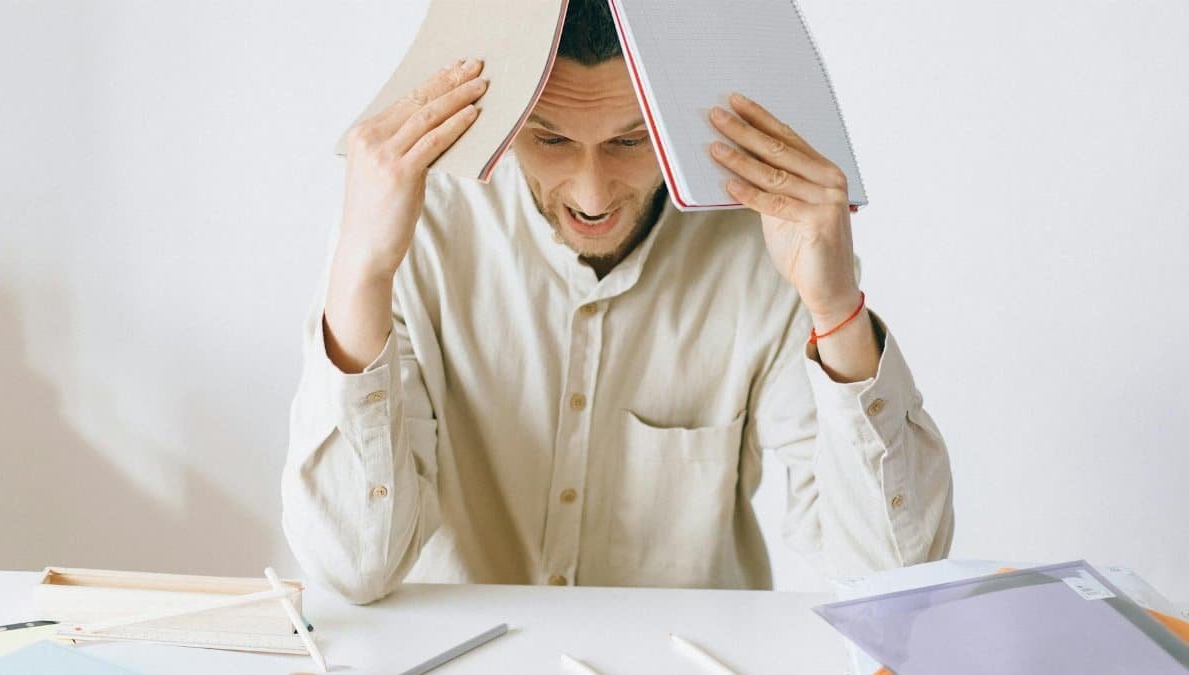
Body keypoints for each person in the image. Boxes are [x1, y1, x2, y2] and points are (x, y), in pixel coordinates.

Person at [282, 0, 954, 604]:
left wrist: (834, 303)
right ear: (505, 118)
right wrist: (361, 272)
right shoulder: (415, 228)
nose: (592, 195)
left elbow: (893, 573)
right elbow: (352, 565)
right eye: (550, 138)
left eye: (631, 141)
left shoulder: (763, 244)